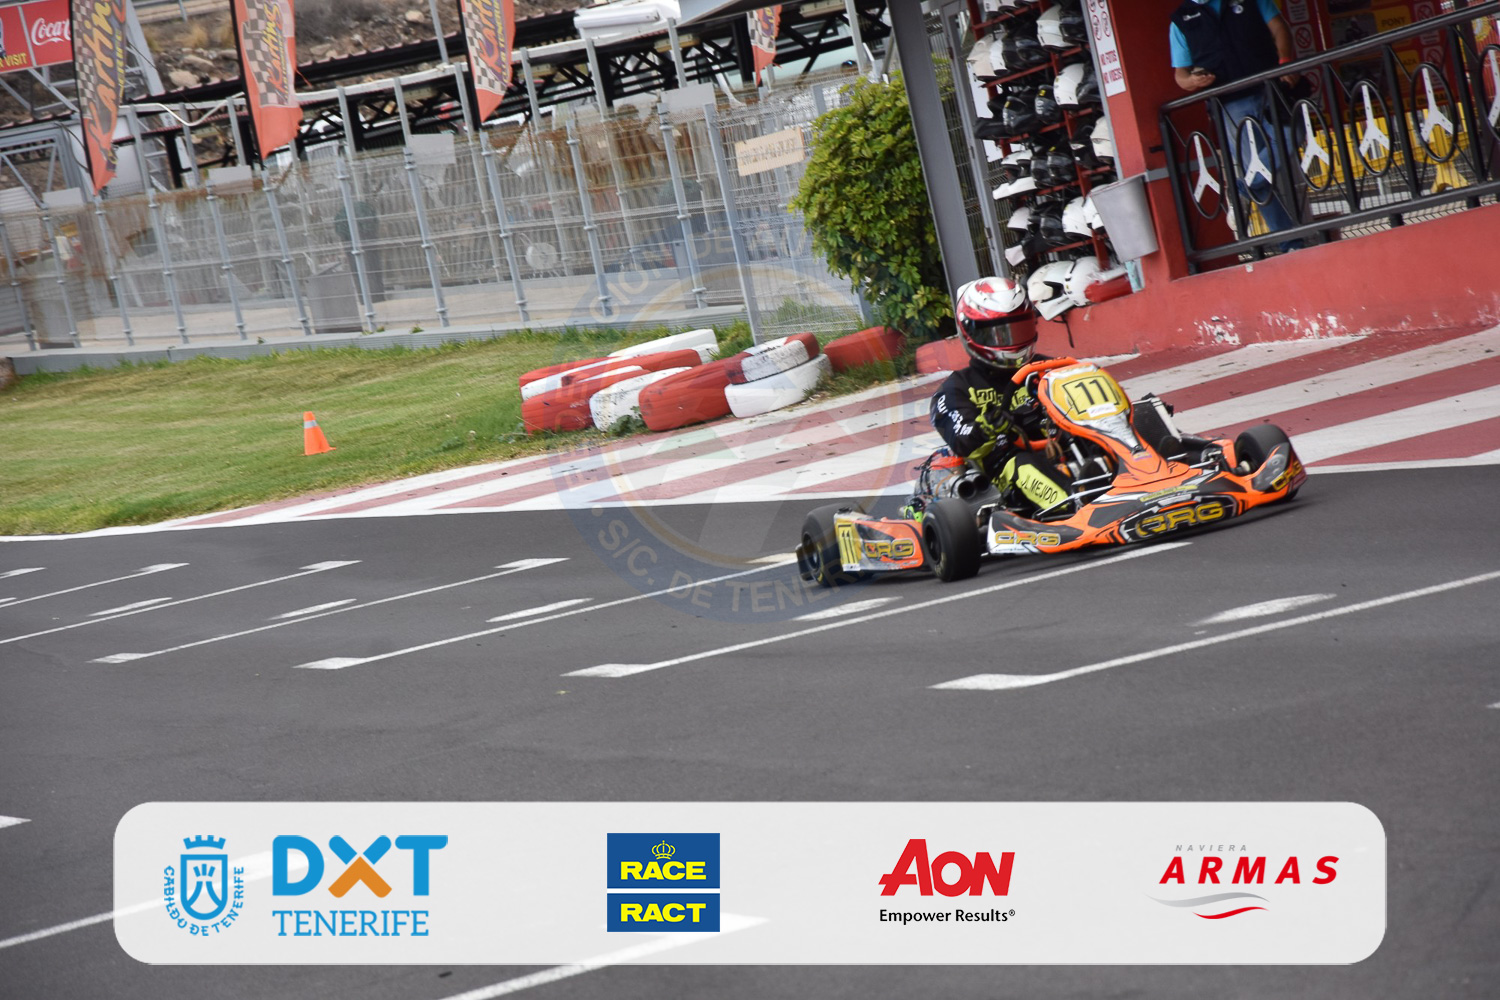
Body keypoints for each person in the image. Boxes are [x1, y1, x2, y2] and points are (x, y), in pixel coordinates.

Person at [928, 277, 1073, 516]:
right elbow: (962, 440)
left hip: (1062, 448)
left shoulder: (1049, 368)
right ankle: (1076, 505)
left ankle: (1133, 477)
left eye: (1018, 329)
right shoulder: (955, 389)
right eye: (999, 334)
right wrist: (987, 427)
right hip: (1005, 470)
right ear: (971, 333)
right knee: (1025, 465)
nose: (1011, 342)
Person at [1169, 0, 1303, 249]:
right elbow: (1181, 75)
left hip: (1271, 87)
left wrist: (1285, 60)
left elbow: (1279, 27)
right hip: (1229, 104)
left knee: (1293, 132)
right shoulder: (1180, 19)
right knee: (1259, 176)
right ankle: (1291, 244)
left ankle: (1244, 187)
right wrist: (1194, 81)